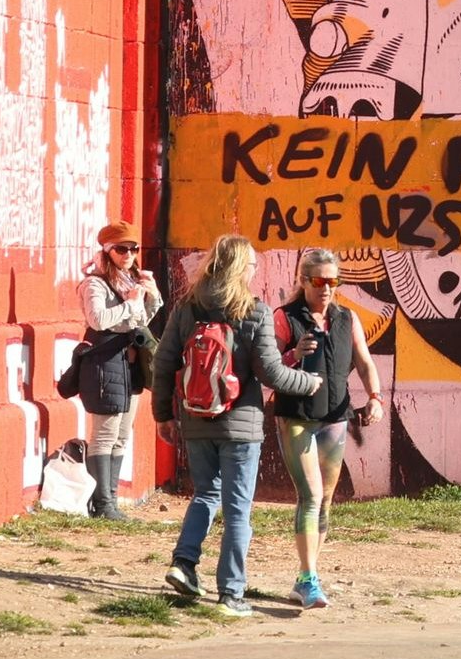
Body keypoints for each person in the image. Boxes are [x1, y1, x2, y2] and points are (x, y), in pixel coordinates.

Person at [152, 236, 322, 619]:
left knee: (205, 494)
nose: (254, 271)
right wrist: (308, 383)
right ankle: (231, 593)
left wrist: (163, 415)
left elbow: (163, 363)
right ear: (241, 269)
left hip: (196, 417)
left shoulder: (187, 307)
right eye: (252, 266)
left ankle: (184, 564)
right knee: (238, 509)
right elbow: (271, 372)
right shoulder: (253, 311)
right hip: (241, 425)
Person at [271, 250, 376, 611]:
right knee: (311, 495)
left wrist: (375, 397)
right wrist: (293, 355)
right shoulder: (285, 318)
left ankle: (308, 575)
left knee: (326, 499)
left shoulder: (347, 318)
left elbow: (364, 361)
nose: (327, 288)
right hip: (296, 416)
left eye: (333, 281)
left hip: (334, 417)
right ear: (303, 281)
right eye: (319, 281)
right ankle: (307, 577)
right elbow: (268, 367)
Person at [75, 221, 158, 519]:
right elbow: (97, 319)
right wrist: (131, 304)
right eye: (121, 249)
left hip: (129, 363)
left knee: (122, 434)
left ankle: (111, 500)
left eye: (134, 249)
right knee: (105, 433)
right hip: (105, 360)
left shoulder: (130, 280)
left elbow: (141, 321)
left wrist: (151, 296)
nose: (129, 255)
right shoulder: (95, 283)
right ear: (107, 251)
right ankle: (102, 505)